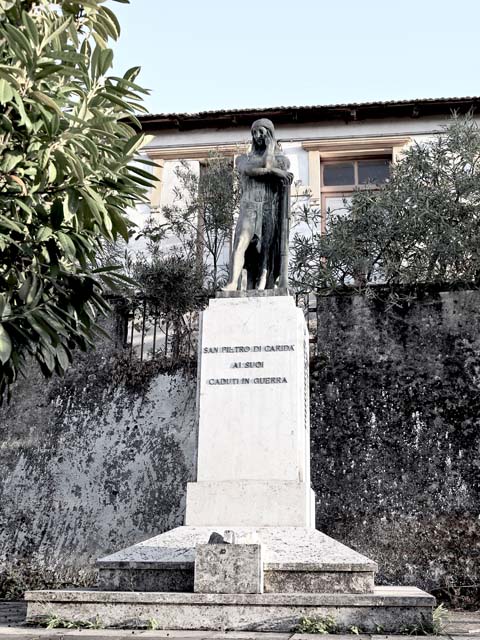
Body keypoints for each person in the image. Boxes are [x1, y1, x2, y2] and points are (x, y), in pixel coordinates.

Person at [223, 119, 292, 291]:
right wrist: (273, 172)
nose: (257, 136)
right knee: (240, 241)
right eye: (254, 132)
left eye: (261, 132)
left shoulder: (282, 161)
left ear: (269, 134)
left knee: (266, 250)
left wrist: (270, 152)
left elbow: (268, 164)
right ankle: (233, 282)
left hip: (270, 208)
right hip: (249, 206)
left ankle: (264, 284)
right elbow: (249, 170)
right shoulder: (242, 159)